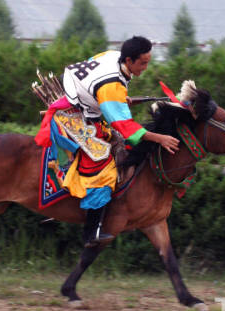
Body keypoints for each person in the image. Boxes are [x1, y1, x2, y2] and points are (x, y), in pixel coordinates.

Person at [62, 36, 180, 247]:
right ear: (129, 60)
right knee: (103, 167)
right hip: (73, 116)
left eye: (148, 61)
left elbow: (94, 80)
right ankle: (91, 232)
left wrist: (114, 100)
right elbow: (125, 127)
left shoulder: (113, 56)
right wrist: (159, 138)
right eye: (142, 63)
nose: (145, 67)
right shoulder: (111, 86)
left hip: (86, 107)